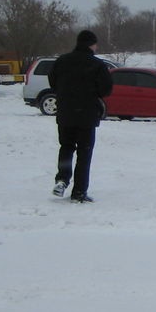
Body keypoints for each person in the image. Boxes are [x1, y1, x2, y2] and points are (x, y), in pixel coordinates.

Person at [48, 29, 113, 203]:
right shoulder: (97, 65)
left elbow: (53, 82)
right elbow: (106, 89)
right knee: (84, 153)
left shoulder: (62, 61)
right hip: (87, 116)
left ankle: (62, 179)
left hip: (65, 114)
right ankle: (79, 192)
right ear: (92, 45)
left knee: (66, 147)